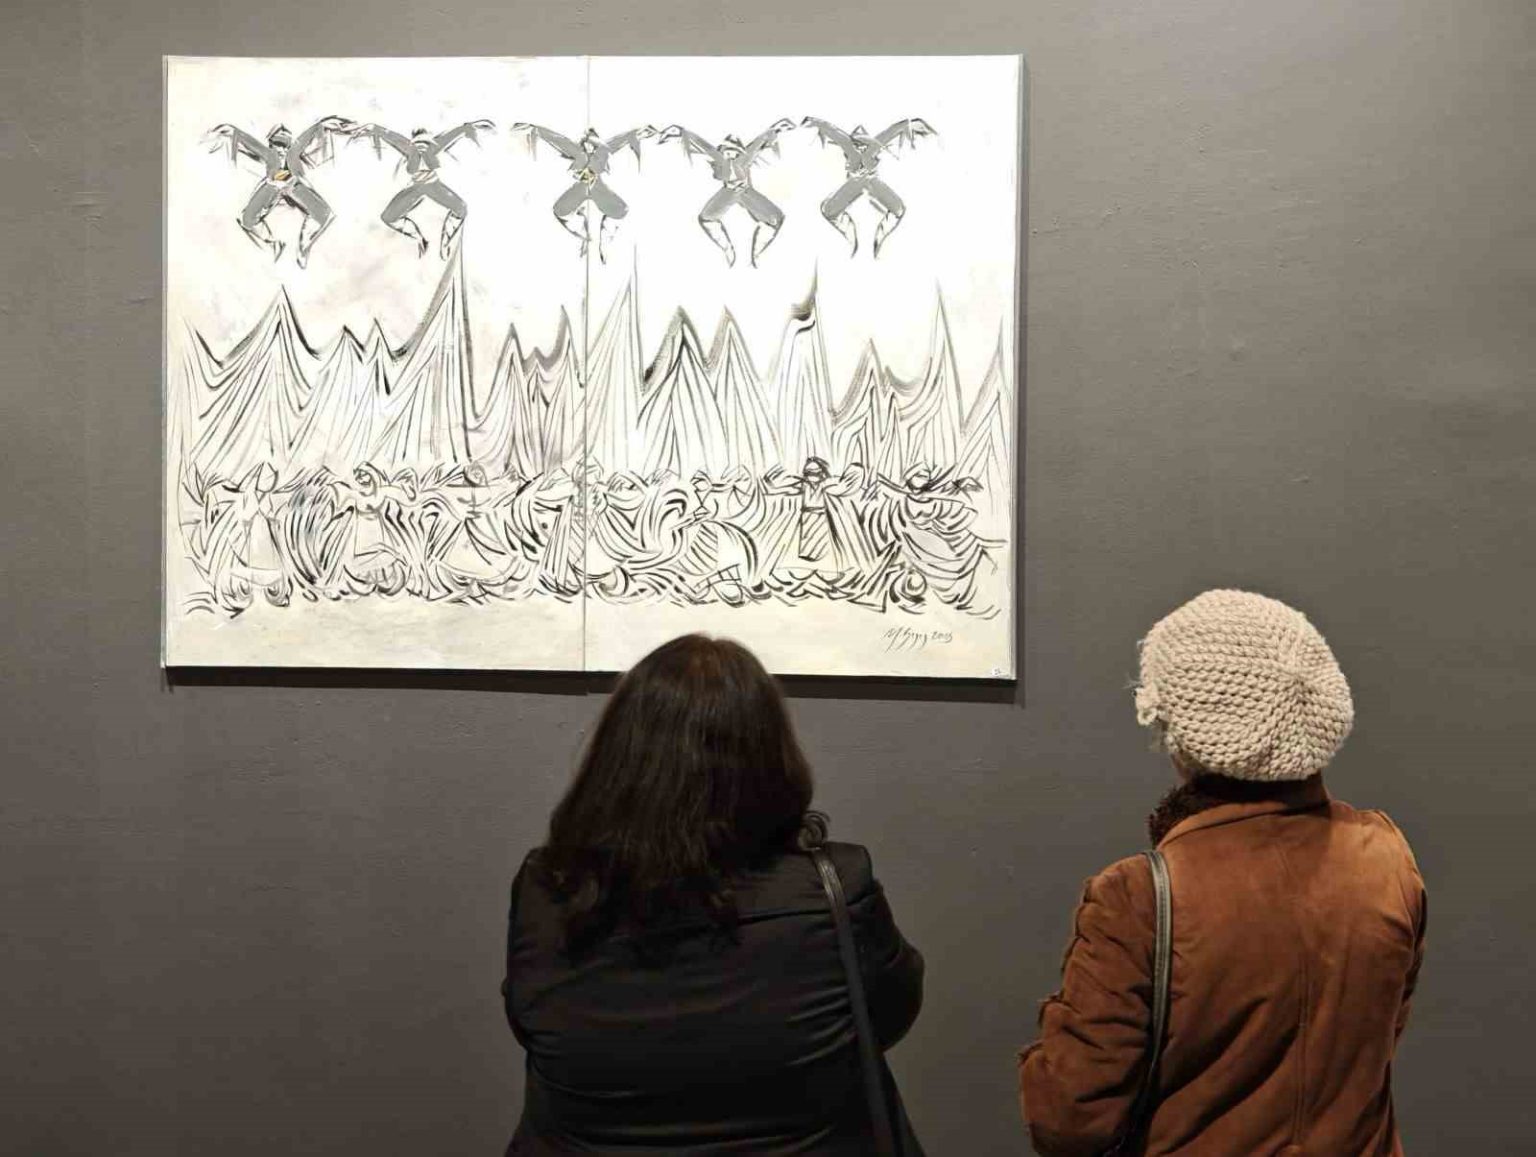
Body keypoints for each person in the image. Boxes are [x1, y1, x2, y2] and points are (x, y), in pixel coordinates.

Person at [1018, 590, 1427, 1156]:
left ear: (1178, 734)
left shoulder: (1137, 897)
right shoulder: (1385, 858)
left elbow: (1069, 1120)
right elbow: (1375, 1042)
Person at [502, 634, 925, 1155]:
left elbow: (530, 1025)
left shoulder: (549, 890)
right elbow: (889, 1013)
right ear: (771, 757)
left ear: (618, 757)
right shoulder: (836, 885)